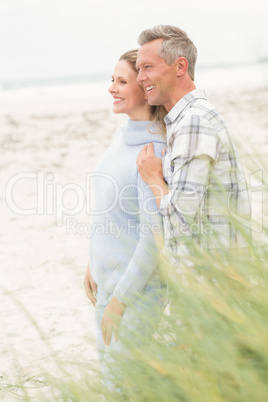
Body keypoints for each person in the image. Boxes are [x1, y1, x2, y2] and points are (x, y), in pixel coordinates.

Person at [83, 49, 166, 386]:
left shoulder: (153, 151)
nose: (111, 88)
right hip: (106, 284)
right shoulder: (122, 136)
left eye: (121, 81)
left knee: (121, 386)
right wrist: (92, 264)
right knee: (113, 381)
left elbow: (154, 238)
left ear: (146, 88)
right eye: (111, 80)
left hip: (135, 293)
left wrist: (120, 300)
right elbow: (108, 209)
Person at [136, 25, 251, 267]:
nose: (140, 77)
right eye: (138, 69)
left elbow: (180, 218)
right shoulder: (189, 120)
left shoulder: (193, 122)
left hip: (211, 282)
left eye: (148, 67)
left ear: (180, 67)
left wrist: (154, 178)